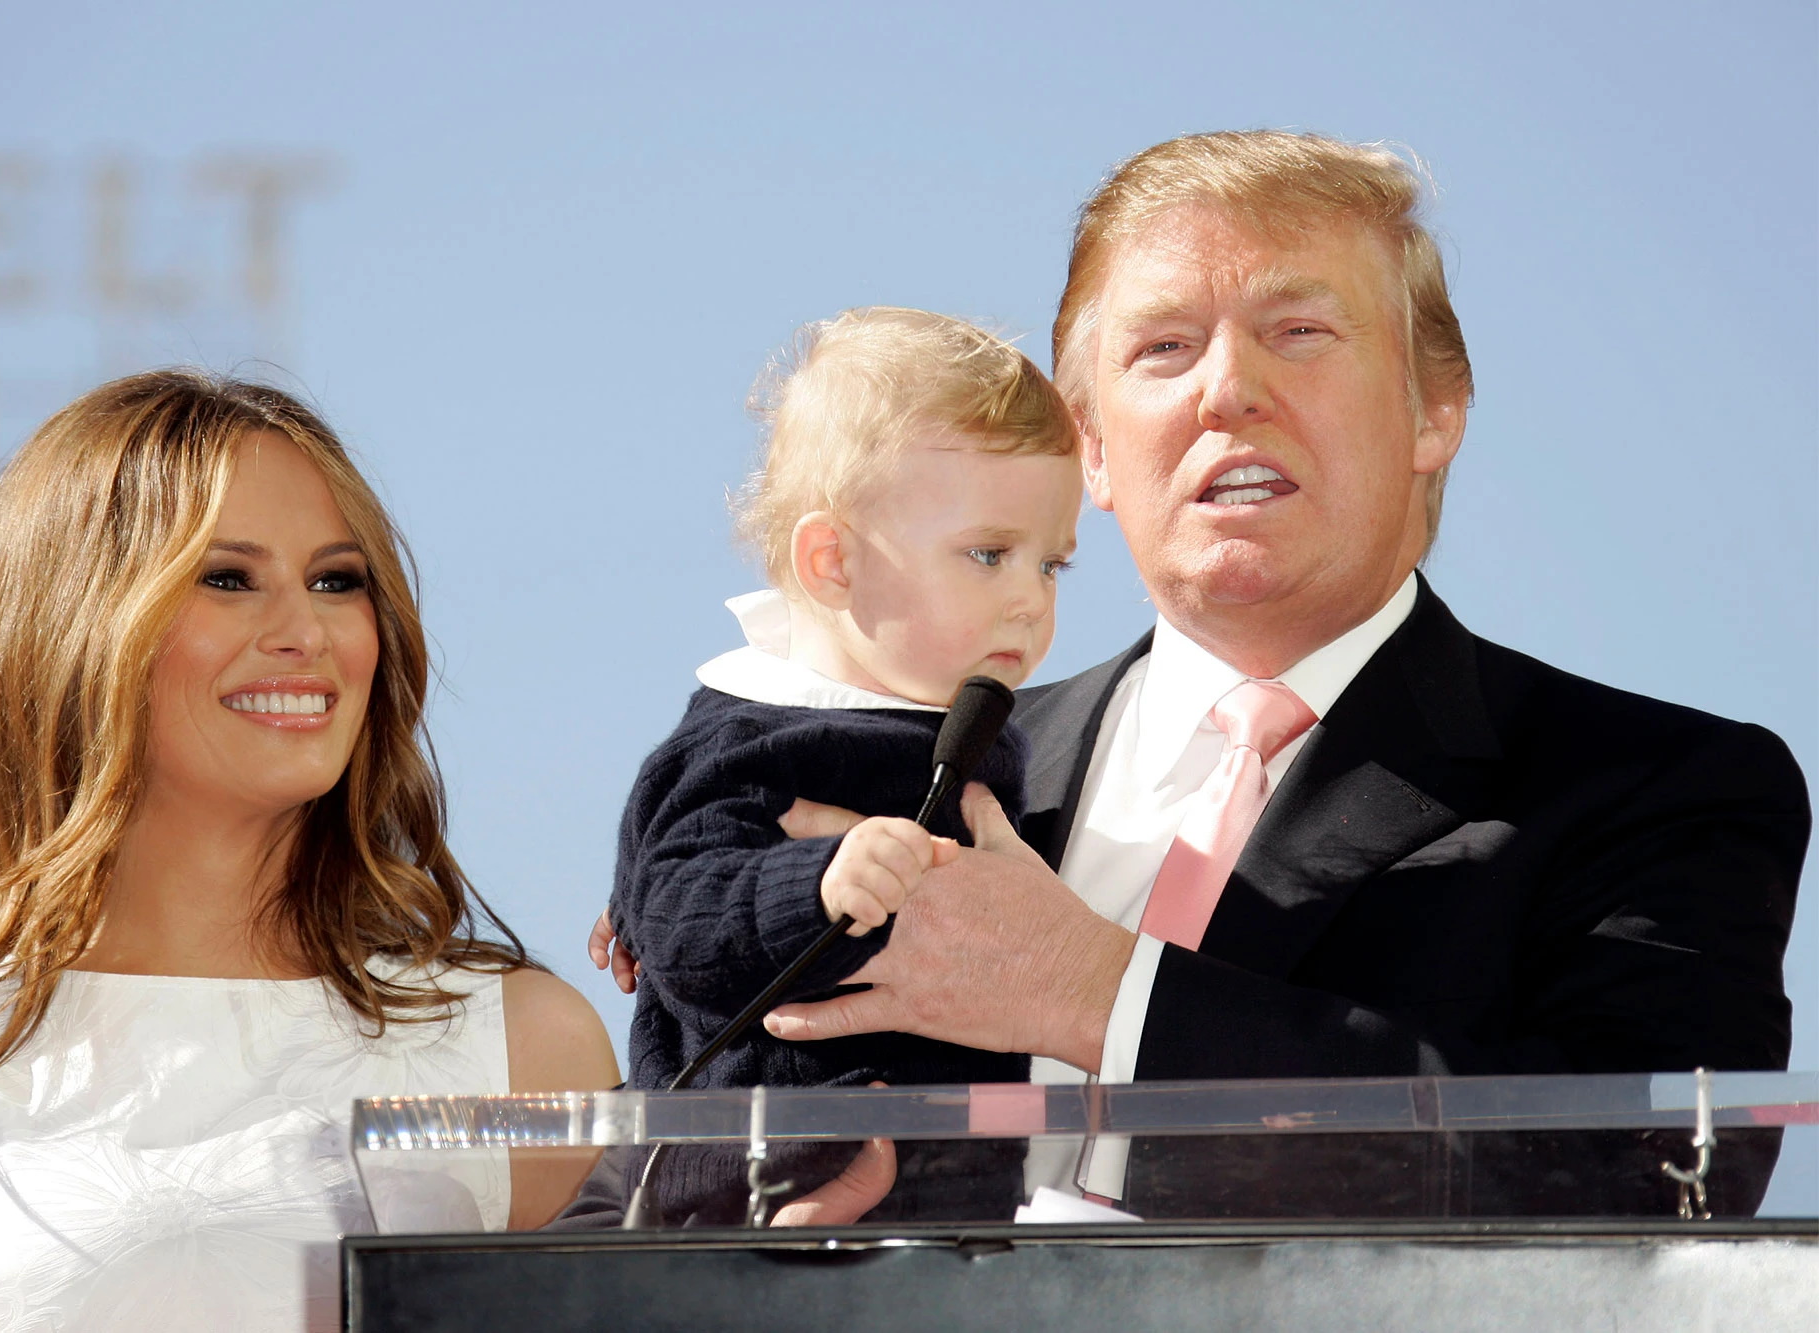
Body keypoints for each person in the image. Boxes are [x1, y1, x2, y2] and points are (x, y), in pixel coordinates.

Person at [601, 131, 1808, 1217]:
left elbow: (1644, 1180)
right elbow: (628, 1185)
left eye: (1298, 331)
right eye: (1164, 347)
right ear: (1089, 449)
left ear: (1433, 410)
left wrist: (1101, 995)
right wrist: (747, 1226)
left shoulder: (1664, 788)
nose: (1226, 390)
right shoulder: (893, 760)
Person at [0, 371, 622, 1332]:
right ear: (73, 623)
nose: (307, 632)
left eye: (337, 581)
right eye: (228, 579)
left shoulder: (525, 1043)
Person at [600, 308, 1083, 1224]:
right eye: (989, 554)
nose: (1030, 597)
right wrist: (817, 883)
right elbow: (678, 923)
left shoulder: (970, 730)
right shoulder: (750, 736)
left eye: (1053, 564)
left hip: (953, 1203)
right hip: (762, 1190)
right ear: (833, 562)